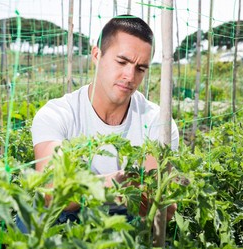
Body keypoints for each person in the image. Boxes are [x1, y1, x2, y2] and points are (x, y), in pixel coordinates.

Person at [27, 15, 179, 228]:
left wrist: (159, 201)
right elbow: (54, 192)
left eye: (140, 68)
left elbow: (153, 200)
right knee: (33, 222)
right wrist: (114, 184)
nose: (130, 75)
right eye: (122, 62)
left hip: (125, 221)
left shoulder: (159, 123)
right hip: (62, 219)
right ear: (97, 55)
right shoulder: (56, 114)